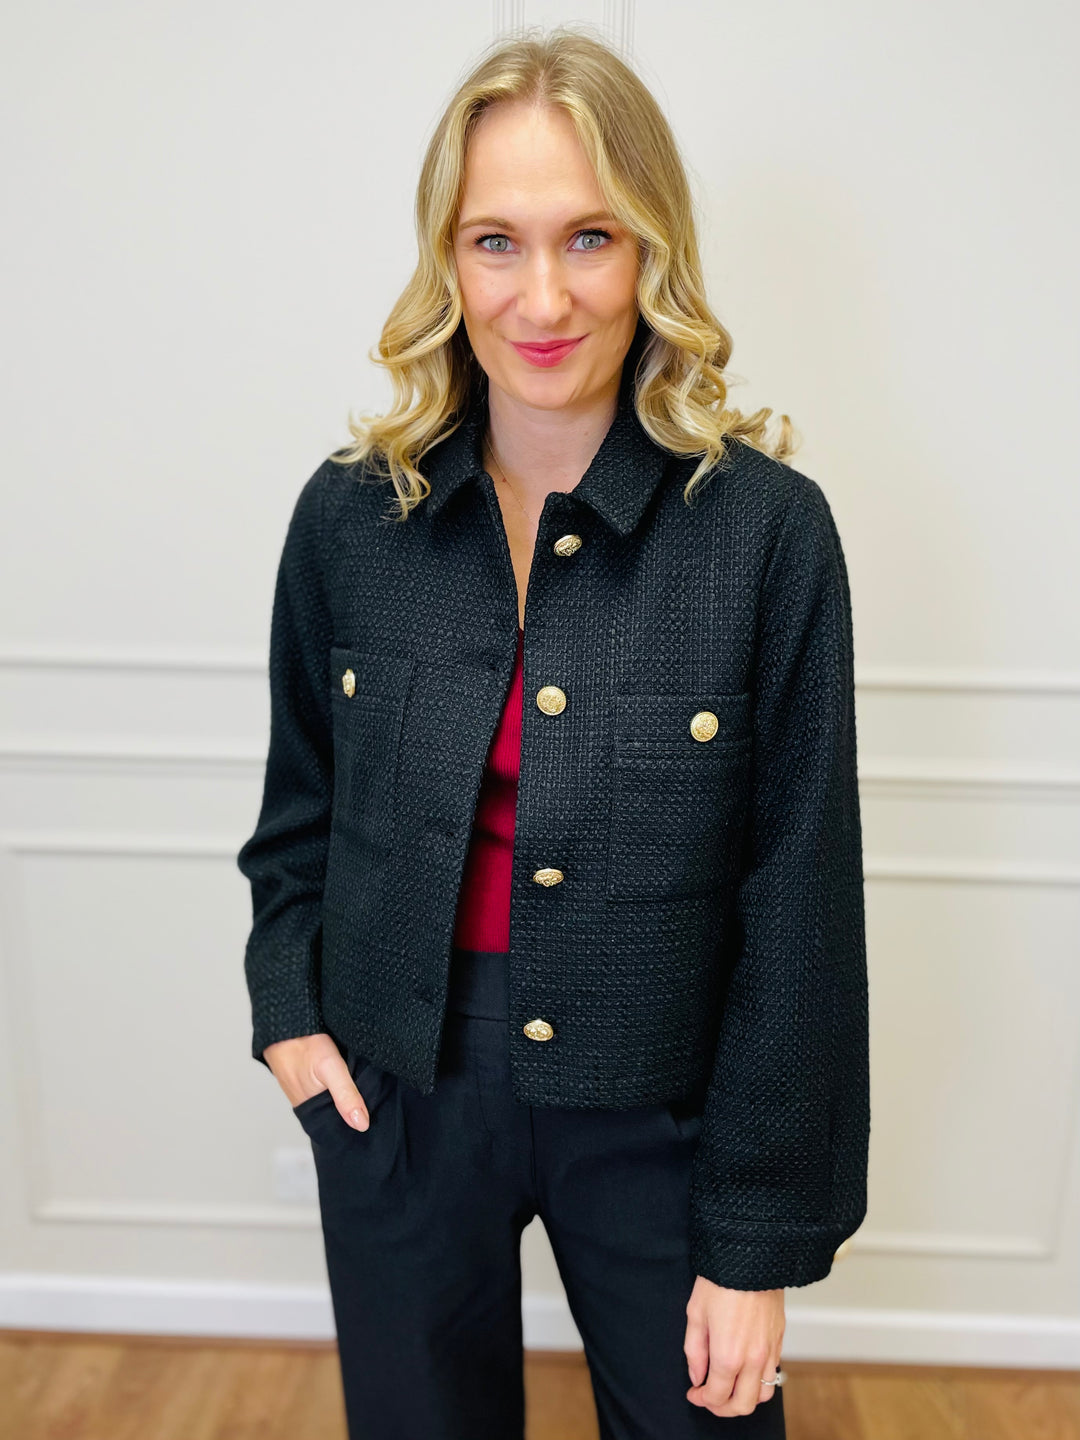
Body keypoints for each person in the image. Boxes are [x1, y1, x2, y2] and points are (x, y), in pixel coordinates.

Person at [236, 26, 869, 1440]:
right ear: (446, 262)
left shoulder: (766, 535)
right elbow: (297, 818)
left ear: (652, 251)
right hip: (397, 1089)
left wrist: (755, 1246)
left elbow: (800, 906)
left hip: (665, 1105)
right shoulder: (350, 518)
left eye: (590, 236)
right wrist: (292, 1019)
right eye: (495, 242)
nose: (543, 296)